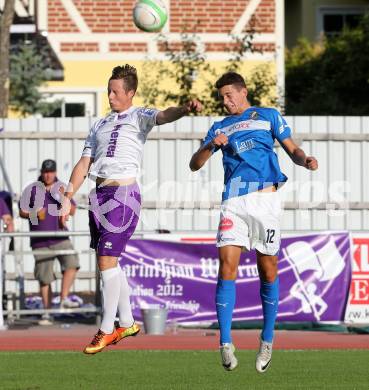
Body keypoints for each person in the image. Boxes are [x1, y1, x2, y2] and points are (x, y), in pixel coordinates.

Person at [60, 64, 201, 354]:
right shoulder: (99, 124)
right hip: (98, 195)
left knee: (107, 260)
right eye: (109, 90)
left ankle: (106, 328)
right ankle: (126, 321)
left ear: (130, 93)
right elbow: (84, 163)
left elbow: (165, 115)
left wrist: (185, 109)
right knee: (109, 261)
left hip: (123, 194)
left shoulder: (140, 116)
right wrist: (67, 195)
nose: (110, 96)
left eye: (115, 91)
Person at [189, 72, 318, 373]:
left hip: (265, 199)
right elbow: (194, 164)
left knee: (268, 268)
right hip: (233, 200)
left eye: (228, 95)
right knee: (226, 266)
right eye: (221, 97)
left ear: (243, 92)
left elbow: (293, 149)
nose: (225, 101)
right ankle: (224, 342)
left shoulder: (269, 116)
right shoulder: (219, 127)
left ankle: (267, 339)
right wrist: (211, 146)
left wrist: (305, 160)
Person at [19, 159, 80, 326]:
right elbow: (21, 212)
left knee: (72, 263)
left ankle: (64, 298)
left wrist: (63, 199)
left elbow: (73, 210)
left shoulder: (61, 187)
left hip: (60, 237)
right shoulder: (32, 189)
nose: (48, 175)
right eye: (45, 172)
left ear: (55, 172)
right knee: (45, 278)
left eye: (51, 172)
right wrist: (34, 213)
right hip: (40, 240)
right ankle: (47, 313)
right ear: (41, 172)